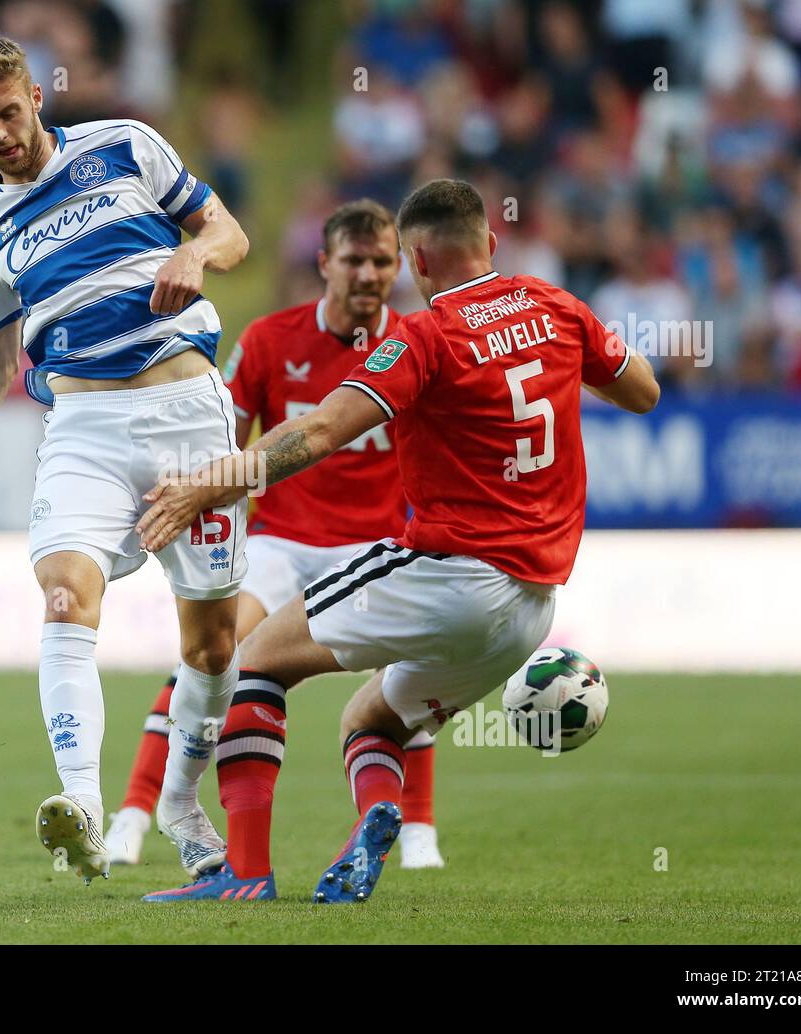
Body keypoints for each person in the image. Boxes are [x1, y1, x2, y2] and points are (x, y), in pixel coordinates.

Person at [136, 178, 659, 903]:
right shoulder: (556, 305)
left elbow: (318, 430)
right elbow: (643, 392)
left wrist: (206, 484)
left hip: (450, 572)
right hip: (532, 609)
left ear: (415, 258)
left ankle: (245, 874)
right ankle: (377, 816)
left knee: (254, 665)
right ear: (492, 244)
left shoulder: (427, 336)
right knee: (371, 718)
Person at [0, 31, 250, 885]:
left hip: (188, 412)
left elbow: (229, 232)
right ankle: (81, 806)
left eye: (8, 113)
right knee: (66, 594)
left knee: (216, 648)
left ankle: (182, 803)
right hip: (83, 427)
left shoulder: (125, 145)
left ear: (37, 95)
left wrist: (195, 251)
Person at [105, 198, 445, 873]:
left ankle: (417, 831)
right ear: (324, 264)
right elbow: (221, 441)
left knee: (409, 675)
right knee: (210, 657)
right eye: (355, 260)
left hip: (373, 545)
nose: (370, 274)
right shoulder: (269, 340)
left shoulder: (418, 342)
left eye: (384, 261)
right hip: (281, 542)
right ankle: (136, 814)